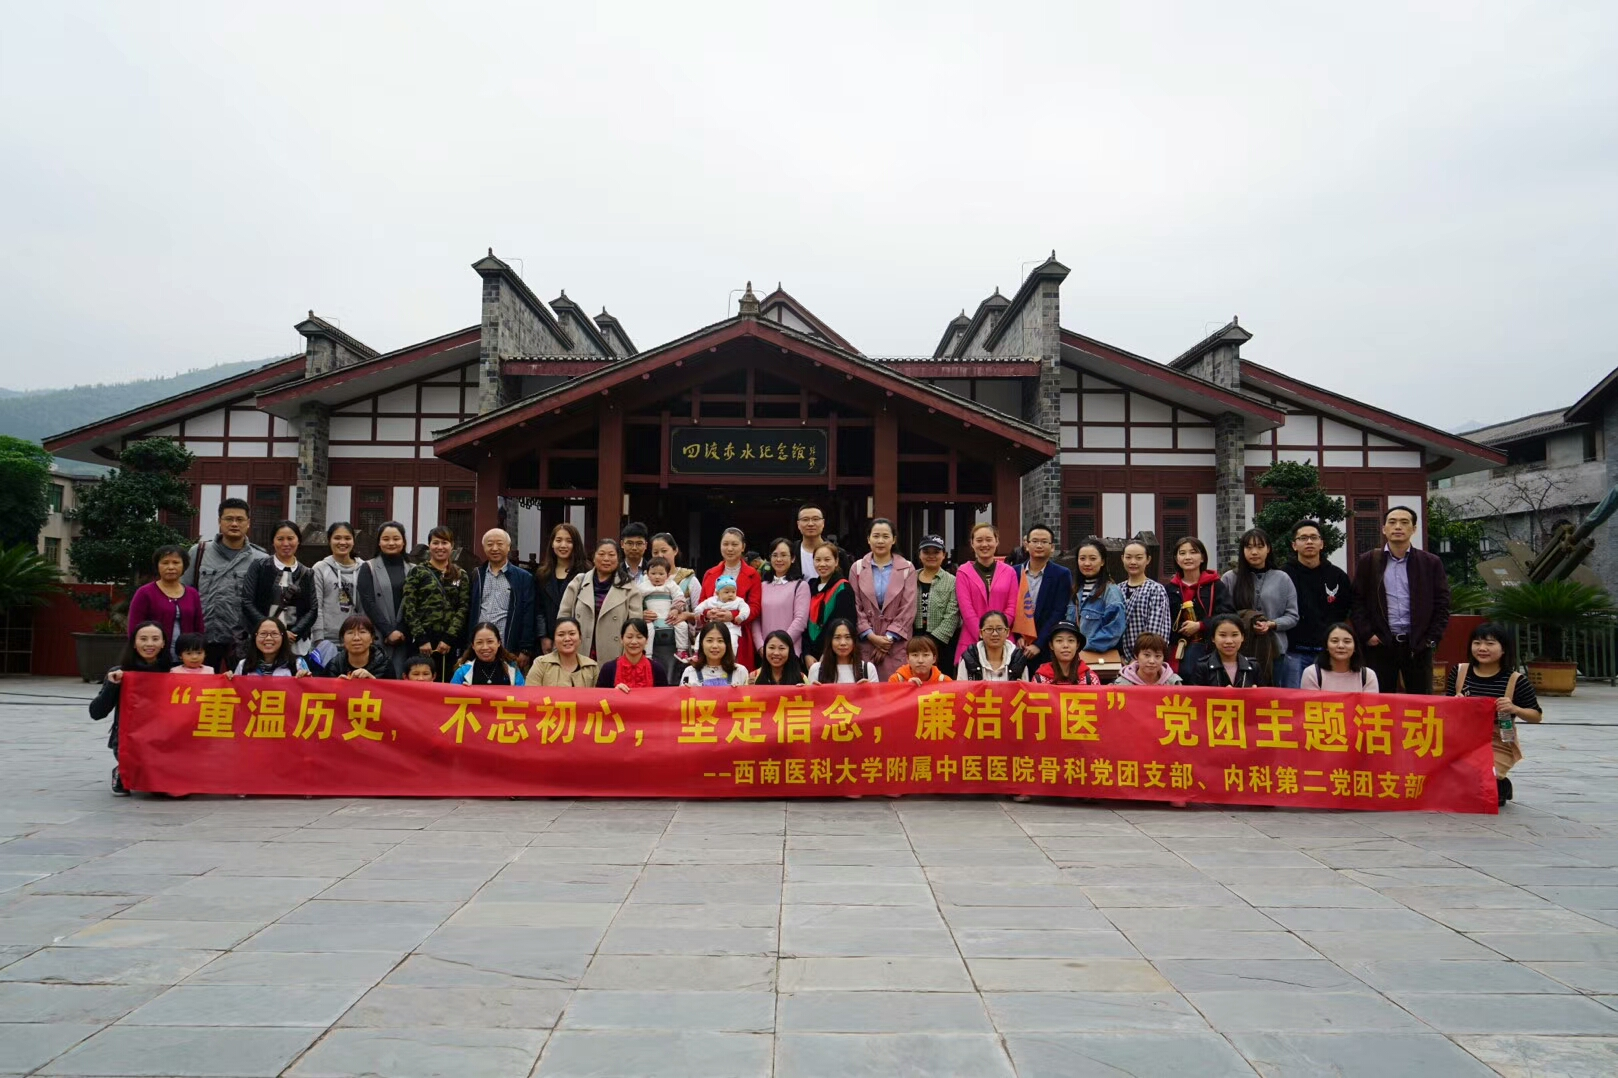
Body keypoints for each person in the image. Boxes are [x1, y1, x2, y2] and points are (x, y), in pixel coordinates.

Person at [1353, 505, 1452, 695]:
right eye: (1392, 522)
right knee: (1379, 701)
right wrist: (1367, 634)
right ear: (1384, 529)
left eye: (1404, 522)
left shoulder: (1430, 562)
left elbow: (1442, 603)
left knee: (1421, 701)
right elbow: (1357, 601)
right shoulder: (1369, 561)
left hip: (1417, 645)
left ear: (1413, 529)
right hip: (1381, 644)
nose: (1398, 526)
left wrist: (1431, 639)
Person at [1448, 622, 1542, 804]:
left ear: (1504, 649)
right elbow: (1445, 709)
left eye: (1490, 644)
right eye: (1477, 643)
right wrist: (1455, 702)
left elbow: (1536, 716)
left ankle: (1499, 782)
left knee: (1480, 785)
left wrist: (1515, 709)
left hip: (1499, 739)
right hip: (1461, 738)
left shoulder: (1516, 680)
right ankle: (1495, 782)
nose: (1482, 648)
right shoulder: (1460, 672)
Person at [186, 497, 267, 671]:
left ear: (248, 523)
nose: (234, 524)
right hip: (203, 640)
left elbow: (264, 603)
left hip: (242, 642)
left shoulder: (261, 559)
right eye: (229, 519)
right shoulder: (198, 552)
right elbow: (184, 594)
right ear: (219, 521)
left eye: (240, 519)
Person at [90, 621, 169, 795]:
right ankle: (123, 770)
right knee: (150, 782)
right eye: (143, 639)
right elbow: (96, 713)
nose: (149, 644)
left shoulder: (173, 672)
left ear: (163, 643)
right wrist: (112, 685)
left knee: (166, 787)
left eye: (155, 639)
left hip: (164, 737)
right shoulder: (120, 672)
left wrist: (225, 678)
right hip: (130, 738)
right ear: (134, 643)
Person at [1281, 519, 1355, 690]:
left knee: (1328, 701)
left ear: (1322, 543)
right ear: (1294, 545)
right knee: (1293, 700)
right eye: (1303, 538)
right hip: (1293, 652)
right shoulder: (1283, 575)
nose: (1309, 542)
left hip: (1327, 653)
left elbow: (1345, 611)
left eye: (1314, 537)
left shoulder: (1337, 576)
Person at [1222, 527, 1299, 677]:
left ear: (1268, 549)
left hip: (1274, 650)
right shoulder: (1230, 578)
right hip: (1238, 650)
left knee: (1272, 691)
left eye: (1259, 547)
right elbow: (1222, 614)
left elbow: (1292, 615)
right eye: (1249, 547)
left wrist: (1272, 624)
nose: (1254, 552)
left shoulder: (1282, 578)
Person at [401, 525, 472, 681]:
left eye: (444, 543)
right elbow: (409, 606)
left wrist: (449, 638)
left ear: (452, 546)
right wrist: (421, 638)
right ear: (429, 546)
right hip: (422, 641)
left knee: (447, 683)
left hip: (449, 642)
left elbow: (463, 607)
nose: (440, 547)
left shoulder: (461, 575)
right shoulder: (418, 572)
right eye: (435, 543)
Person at [849, 518, 916, 681]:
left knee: (896, 689)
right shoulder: (857, 568)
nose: (880, 541)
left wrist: (888, 639)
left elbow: (908, 607)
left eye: (885, 536)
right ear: (868, 539)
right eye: (876, 536)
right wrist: (871, 636)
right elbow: (855, 605)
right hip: (866, 643)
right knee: (866, 689)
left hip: (896, 644)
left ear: (893, 539)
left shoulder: (907, 568)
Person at [560, 538, 645, 665]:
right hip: (579, 650)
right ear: (593, 557)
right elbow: (563, 617)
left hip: (614, 654)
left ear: (618, 559)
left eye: (611, 555)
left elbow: (635, 626)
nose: (606, 559)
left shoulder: (629, 587)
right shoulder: (579, 582)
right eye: (601, 554)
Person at [241, 520, 317, 656]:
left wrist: (294, 633)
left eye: (290, 538)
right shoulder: (260, 567)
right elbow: (247, 602)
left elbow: (312, 609)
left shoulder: (307, 573)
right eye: (280, 539)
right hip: (264, 640)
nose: (286, 543)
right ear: (273, 541)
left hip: (295, 642)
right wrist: (270, 631)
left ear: (298, 541)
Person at [470, 527, 539, 673]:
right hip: (480, 648)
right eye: (490, 544)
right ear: (484, 548)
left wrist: (525, 649)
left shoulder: (523, 578)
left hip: (509, 647)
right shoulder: (477, 575)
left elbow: (528, 615)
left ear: (508, 547)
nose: (495, 548)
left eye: (500, 544)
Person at [128, 545, 205, 664]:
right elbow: (134, 628)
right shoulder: (145, 592)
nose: (170, 567)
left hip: (187, 659)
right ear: (157, 566)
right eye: (165, 563)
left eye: (176, 562)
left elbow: (199, 628)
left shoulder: (192, 593)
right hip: (154, 658)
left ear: (184, 566)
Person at [955, 523, 1020, 663]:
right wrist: (983, 634)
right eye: (979, 540)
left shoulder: (1009, 572)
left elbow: (1012, 606)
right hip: (972, 640)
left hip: (1004, 641)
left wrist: (998, 632)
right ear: (972, 543)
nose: (984, 544)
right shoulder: (963, 572)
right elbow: (966, 610)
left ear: (997, 541)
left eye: (989, 539)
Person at [1168, 536, 1233, 673]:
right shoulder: (1170, 588)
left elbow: (1228, 615)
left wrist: (1201, 625)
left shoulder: (1215, 585)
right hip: (1176, 649)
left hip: (1208, 648)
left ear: (1202, 557)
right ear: (1176, 559)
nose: (1188, 557)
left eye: (1193, 552)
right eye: (1182, 553)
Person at [700, 527, 763, 666]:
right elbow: (702, 602)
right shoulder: (710, 574)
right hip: (711, 633)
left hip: (739, 633)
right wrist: (708, 613)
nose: (729, 548)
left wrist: (733, 616)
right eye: (725, 544)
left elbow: (755, 607)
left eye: (734, 544)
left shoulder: (753, 575)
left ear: (743, 547)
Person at [1015, 524, 1074, 667]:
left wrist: (1039, 644)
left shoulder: (1061, 574)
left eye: (1044, 542)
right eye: (1034, 541)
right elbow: (1011, 607)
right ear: (1026, 545)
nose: (1039, 545)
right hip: (1018, 645)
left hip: (1046, 647)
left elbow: (1058, 612)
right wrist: (1017, 636)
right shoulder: (1014, 572)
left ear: (1052, 547)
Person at [357, 521, 410, 678]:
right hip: (377, 635)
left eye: (396, 539)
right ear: (379, 542)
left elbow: (414, 604)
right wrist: (388, 631)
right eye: (386, 539)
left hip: (404, 637)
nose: (391, 543)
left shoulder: (413, 569)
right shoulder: (368, 567)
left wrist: (400, 630)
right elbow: (368, 602)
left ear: (403, 542)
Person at [309, 521, 364, 648]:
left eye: (347, 538)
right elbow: (316, 606)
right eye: (337, 538)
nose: (342, 542)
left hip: (356, 638)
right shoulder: (320, 568)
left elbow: (366, 606)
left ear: (353, 541)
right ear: (329, 540)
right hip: (327, 640)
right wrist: (318, 639)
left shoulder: (364, 568)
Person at [1071, 538, 1127, 662]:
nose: (1087, 563)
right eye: (1082, 558)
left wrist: (1084, 646)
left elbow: (1114, 630)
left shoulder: (1111, 592)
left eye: (1092, 558)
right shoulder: (1075, 590)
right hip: (1073, 658)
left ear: (1102, 561)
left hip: (1098, 659)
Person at [752, 537, 810, 657]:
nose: (779, 559)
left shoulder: (800, 586)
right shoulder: (762, 586)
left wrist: (781, 646)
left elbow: (800, 620)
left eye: (784, 555)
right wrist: (761, 646)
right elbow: (755, 619)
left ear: (792, 558)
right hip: (765, 652)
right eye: (775, 555)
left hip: (790, 651)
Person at [536, 522, 589, 654]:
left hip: (578, 639)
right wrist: (543, 636)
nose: (563, 545)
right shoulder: (542, 574)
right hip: (549, 639)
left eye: (569, 541)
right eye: (558, 540)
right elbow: (539, 609)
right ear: (552, 544)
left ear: (576, 544)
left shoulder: (586, 572)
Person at [1118, 539, 1172, 664]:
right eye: (1128, 557)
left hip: (1147, 660)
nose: (1133, 562)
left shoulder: (1155, 589)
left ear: (1148, 560)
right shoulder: (1117, 589)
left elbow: (1155, 631)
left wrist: (1140, 658)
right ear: (1122, 558)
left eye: (1139, 558)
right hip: (1120, 659)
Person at [805, 542, 856, 662]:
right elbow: (804, 623)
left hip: (833, 655)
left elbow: (844, 625)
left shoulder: (843, 588)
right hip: (810, 658)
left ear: (836, 561)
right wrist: (806, 654)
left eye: (827, 560)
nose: (822, 564)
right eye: (818, 560)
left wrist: (827, 653)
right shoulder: (810, 587)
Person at [638, 556, 691, 671]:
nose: (657, 576)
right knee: (647, 629)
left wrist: (675, 610)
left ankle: (682, 651)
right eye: (653, 573)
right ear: (647, 574)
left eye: (661, 574)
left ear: (667, 575)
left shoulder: (671, 585)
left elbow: (679, 597)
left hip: (670, 618)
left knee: (682, 625)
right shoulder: (643, 587)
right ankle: (648, 655)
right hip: (652, 620)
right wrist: (641, 612)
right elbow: (635, 601)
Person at [1182, 614, 1262, 687]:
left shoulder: (1253, 666)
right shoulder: (1203, 667)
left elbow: (1264, 695)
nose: (1229, 641)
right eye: (1222, 635)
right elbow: (1195, 696)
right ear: (1213, 638)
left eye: (1234, 635)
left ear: (1242, 637)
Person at [912, 535, 960, 659]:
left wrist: (932, 641)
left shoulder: (952, 581)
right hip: (913, 640)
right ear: (919, 554)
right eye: (926, 552)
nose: (931, 556)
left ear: (944, 555)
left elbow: (952, 614)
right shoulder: (910, 578)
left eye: (936, 552)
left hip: (942, 643)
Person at [1302, 622, 1378, 692]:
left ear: (1355, 647)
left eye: (1347, 641)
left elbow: (1370, 702)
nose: (1341, 646)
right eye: (1334, 641)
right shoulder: (1312, 673)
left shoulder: (1368, 675)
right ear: (1326, 646)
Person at [956, 610, 1029, 682]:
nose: (995, 634)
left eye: (999, 629)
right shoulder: (969, 658)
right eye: (989, 629)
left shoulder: (1018, 659)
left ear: (1007, 632)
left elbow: (1025, 687)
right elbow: (961, 688)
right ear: (981, 633)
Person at [529, 616, 600, 688]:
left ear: (580, 637)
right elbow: (531, 692)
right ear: (554, 640)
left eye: (572, 634)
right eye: (561, 635)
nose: (567, 639)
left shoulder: (591, 667)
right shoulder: (541, 664)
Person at [598, 618, 669, 689]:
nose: (634, 642)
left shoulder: (657, 669)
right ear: (622, 639)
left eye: (639, 637)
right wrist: (614, 692)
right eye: (629, 637)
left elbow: (665, 695)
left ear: (646, 640)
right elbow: (599, 695)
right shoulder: (608, 669)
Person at [226, 618, 311, 678]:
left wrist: (306, 679)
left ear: (283, 637)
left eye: (274, 634)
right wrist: (227, 681)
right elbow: (236, 693)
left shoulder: (297, 664)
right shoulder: (243, 665)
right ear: (255, 637)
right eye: (263, 634)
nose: (268, 638)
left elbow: (309, 693)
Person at [319, 614, 395, 679]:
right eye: (350, 632)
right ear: (342, 640)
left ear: (372, 638)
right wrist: (336, 685)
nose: (356, 638)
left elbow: (392, 690)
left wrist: (373, 682)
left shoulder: (384, 664)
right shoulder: (334, 665)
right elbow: (321, 690)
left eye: (362, 632)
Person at [450, 621, 526, 685]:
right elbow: (452, 695)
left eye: (490, 641)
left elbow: (522, 695)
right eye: (479, 642)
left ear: (499, 643)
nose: (485, 647)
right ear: (473, 645)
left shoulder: (512, 669)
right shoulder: (462, 672)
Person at [694, 575, 751, 655]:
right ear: (717, 593)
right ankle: (697, 653)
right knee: (701, 636)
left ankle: (731, 657)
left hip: (731, 627)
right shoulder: (712, 600)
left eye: (733, 592)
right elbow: (702, 605)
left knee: (733, 641)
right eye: (727, 592)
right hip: (713, 626)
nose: (730, 595)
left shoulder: (738, 601)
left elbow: (746, 608)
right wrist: (698, 612)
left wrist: (741, 616)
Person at [808, 619, 878, 683]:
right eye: (837, 637)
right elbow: (809, 693)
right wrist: (807, 690)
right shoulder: (816, 670)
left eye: (847, 637)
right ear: (830, 641)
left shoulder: (868, 669)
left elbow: (877, 693)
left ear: (854, 641)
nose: (843, 643)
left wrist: (868, 689)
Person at [682, 621, 750, 686]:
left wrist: (738, 691)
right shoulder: (690, 672)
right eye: (709, 640)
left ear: (727, 644)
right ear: (701, 644)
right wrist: (687, 691)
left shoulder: (740, 671)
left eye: (720, 641)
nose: (715, 646)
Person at [1033, 621, 1101, 685]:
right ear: (1051, 645)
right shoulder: (1039, 680)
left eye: (1071, 640)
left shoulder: (1090, 679)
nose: (1065, 645)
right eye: (1059, 640)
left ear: (1077, 645)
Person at [795, 503, 843, 578]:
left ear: (823, 523)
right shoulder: (790, 552)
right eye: (805, 520)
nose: (810, 524)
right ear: (798, 524)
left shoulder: (838, 553)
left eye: (815, 519)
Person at [1117, 633, 1183, 686]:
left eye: (1157, 656)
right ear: (1136, 655)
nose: (1152, 661)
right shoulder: (1122, 684)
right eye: (1147, 655)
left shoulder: (1173, 683)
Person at [1238, 608, 1281, 687]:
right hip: (1241, 648)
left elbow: (1292, 616)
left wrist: (1271, 624)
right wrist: (1248, 622)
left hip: (1273, 648)